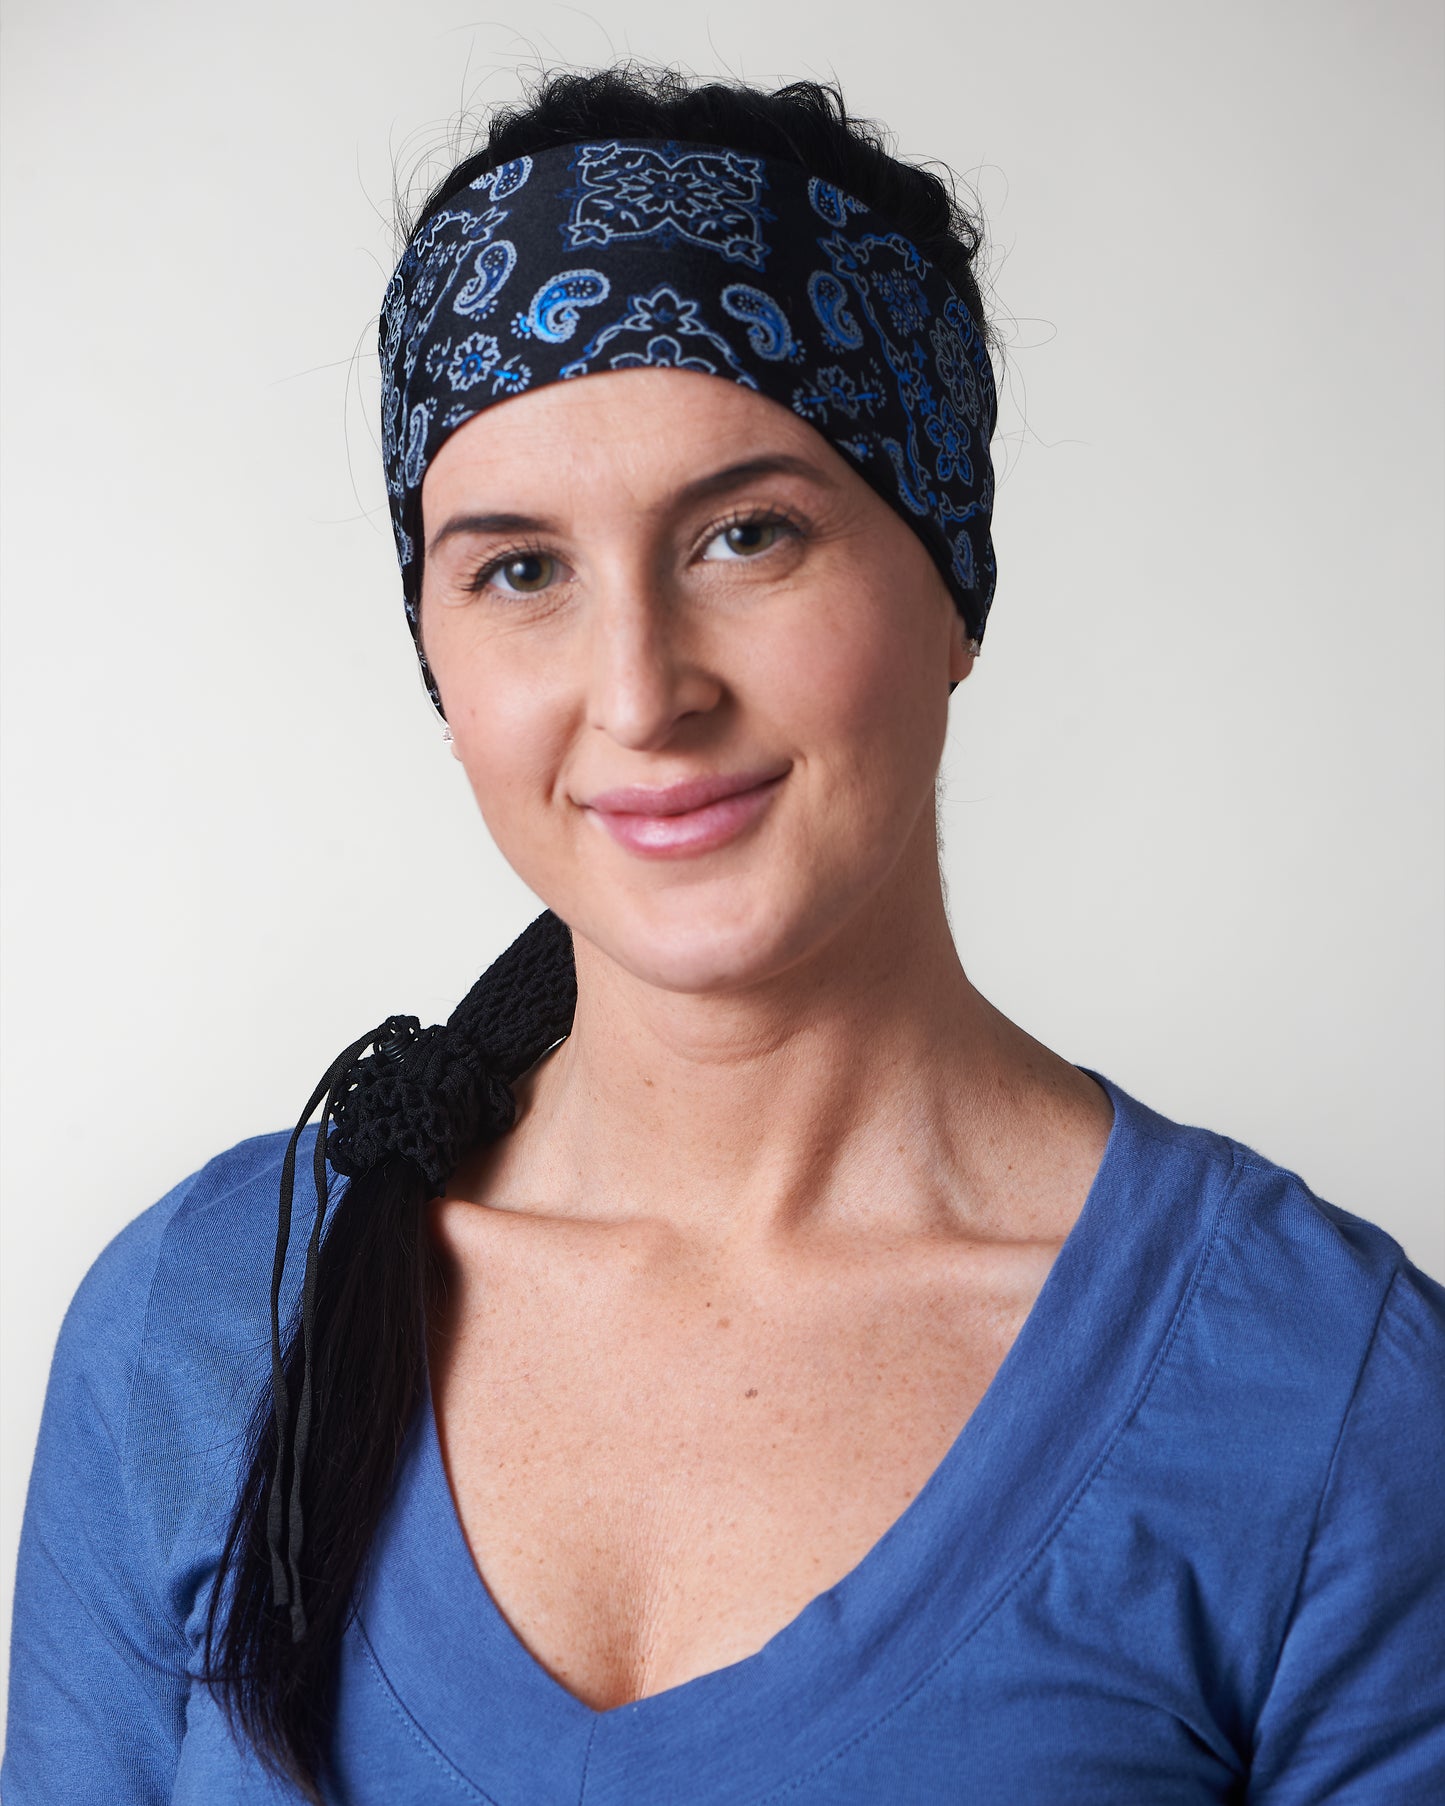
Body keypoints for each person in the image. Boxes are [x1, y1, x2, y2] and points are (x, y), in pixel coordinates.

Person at [4, 62, 1443, 1806]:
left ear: (948, 573)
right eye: (519, 569)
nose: (640, 691)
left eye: (745, 534)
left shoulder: (1325, 1402)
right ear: (437, 657)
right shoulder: (201, 1323)